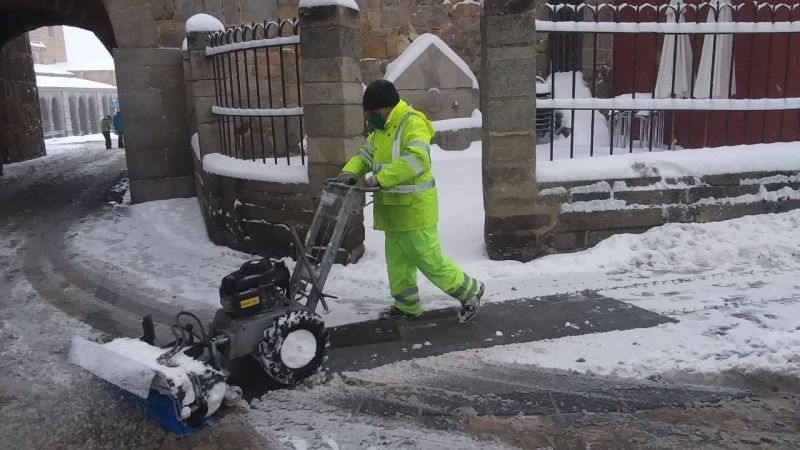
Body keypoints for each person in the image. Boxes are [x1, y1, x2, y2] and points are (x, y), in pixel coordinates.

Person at [337, 79, 484, 323]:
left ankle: (470, 291)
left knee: (430, 260)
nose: (371, 117)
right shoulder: (381, 131)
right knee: (398, 263)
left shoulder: (412, 123)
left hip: (415, 210)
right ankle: (406, 305)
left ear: (387, 107)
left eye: (373, 112)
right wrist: (350, 172)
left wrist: (380, 179)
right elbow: (364, 155)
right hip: (392, 210)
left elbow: (417, 160)